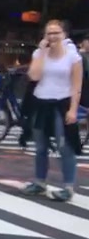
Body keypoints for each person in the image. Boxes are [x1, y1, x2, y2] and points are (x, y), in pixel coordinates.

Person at [21, 20, 82, 202]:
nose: (52, 37)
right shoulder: (39, 54)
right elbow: (34, 76)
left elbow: (77, 86)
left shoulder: (73, 57)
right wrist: (41, 52)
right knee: (40, 147)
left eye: (56, 33)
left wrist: (73, 110)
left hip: (62, 103)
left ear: (64, 35)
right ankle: (40, 182)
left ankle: (68, 187)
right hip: (40, 102)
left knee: (64, 146)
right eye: (49, 33)